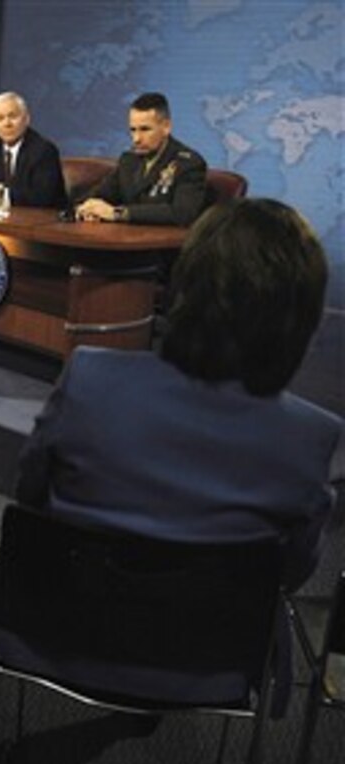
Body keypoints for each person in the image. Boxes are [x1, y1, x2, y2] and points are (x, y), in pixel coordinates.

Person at [17, 198, 341, 704]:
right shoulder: (310, 438)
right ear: (298, 320)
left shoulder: (90, 378)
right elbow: (288, 574)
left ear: (183, 287)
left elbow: (29, 494)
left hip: (58, 631)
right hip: (210, 663)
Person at [76, 92, 207, 226]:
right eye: (133, 130)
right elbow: (100, 194)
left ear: (166, 127)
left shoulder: (189, 163)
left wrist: (118, 213)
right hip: (124, 241)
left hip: (162, 244)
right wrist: (85, 209)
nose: (136, 139)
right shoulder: (128, 160)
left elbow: (181, 213)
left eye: (145, 129)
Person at [0, 91, 66, 209]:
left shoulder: (44, 150)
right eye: (0, 118)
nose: (7, 124)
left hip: (38, 222)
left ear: (27, 119)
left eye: (12, 116)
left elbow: (40, 197)